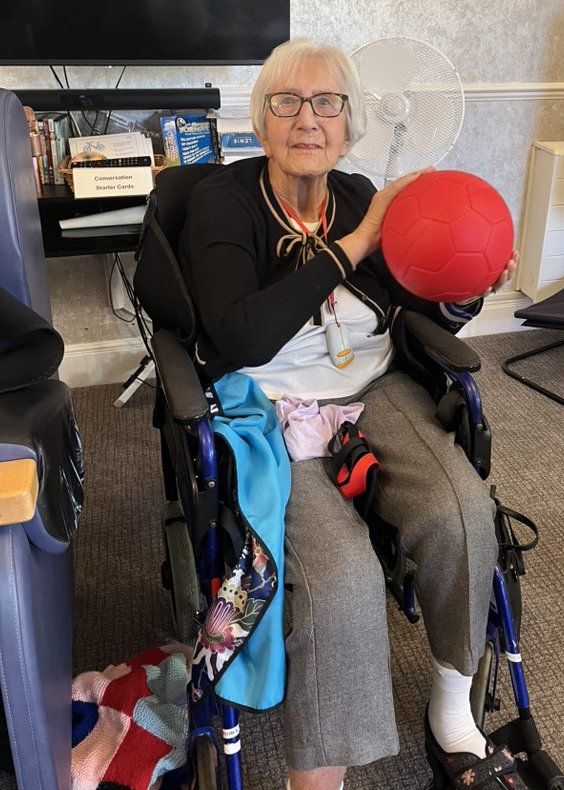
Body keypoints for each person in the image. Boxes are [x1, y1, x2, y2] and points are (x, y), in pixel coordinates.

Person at [179, 38, 523, 790]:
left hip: (377, 386)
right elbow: (239, 333)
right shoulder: (222, 202)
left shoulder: (362, 194)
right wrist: (353, 246)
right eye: (287, 102)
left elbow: (424, 308)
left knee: (461, 509)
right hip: (269, 408)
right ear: (262, 121)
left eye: (327, 102)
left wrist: (471, 286)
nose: (308, 119)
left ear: (350, 120)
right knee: (339, 577)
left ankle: (449, 705)